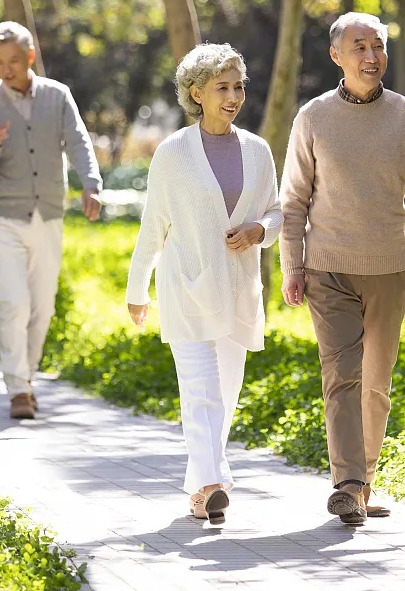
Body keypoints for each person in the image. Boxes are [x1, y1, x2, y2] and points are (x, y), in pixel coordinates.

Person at [279, 12, 405, 524]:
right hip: (328, 268)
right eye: (359, 46)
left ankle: (364, 484)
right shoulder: (312, 117)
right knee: (342, 375)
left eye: (378, 46)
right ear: (337, 55)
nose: (371, 56)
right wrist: (293, 263)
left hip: (388, 267)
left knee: (376, 381)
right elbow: (293, 199)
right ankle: (347, 484)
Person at [126, 43, 282, 526]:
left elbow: (277, 212)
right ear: (196, 93)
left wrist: (260, 231)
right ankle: (214, 485)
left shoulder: (257, 151)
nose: (234, 96)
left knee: (226, 395)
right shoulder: (173, 153)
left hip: (238, 291)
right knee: (200, 393)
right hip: (187, 288)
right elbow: (154, 224)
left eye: (238, 87)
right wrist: (137, 288)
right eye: (222, 88)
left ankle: (200, 489)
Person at [0, 21, 103, 420]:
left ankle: (26, 375)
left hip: (48, 213)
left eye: (13, 60)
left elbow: (77, 140)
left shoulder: (57, 96)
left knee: (42, 305)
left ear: (29, 56)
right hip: (3, 216)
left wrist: (91, 184)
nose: (5, 69)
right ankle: (18, 388)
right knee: (14, 301)